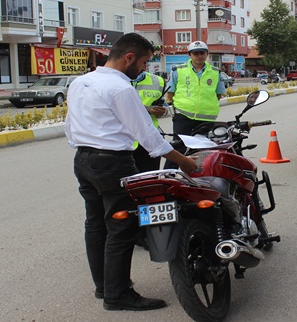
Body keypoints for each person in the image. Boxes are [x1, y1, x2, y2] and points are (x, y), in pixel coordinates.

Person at [64, 32, 197, 312]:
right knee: (121, 227)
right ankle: (118, 294)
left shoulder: (80, 82)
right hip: (113, 163)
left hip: (83, 159)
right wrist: (184, 161)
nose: (146, 69)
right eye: (145, 62)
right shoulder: (122, 89)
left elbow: (70, 126)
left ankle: (103, 286)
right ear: (129, 58)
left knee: (96, 223)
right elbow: (148, 137)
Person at [163, 40, 226, 169]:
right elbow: (170, 93)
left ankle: (199, 178)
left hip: (206, 118)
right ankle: (169, 176)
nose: (199, 56)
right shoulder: (178, 70)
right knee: (178, 148)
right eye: (195, 53)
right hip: (183, 116)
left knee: (204, 151)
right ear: (189, 55)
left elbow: (219, 94)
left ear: (207, 54)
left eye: (202, 53)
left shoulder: (215, 72)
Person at [130, 69, 168, 172]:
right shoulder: (116, 80)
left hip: (150, 138)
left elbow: (165, 107)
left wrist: (162, 111)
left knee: (149, 180)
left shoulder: (157, 81)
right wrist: (147, 109)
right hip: (124, 140)